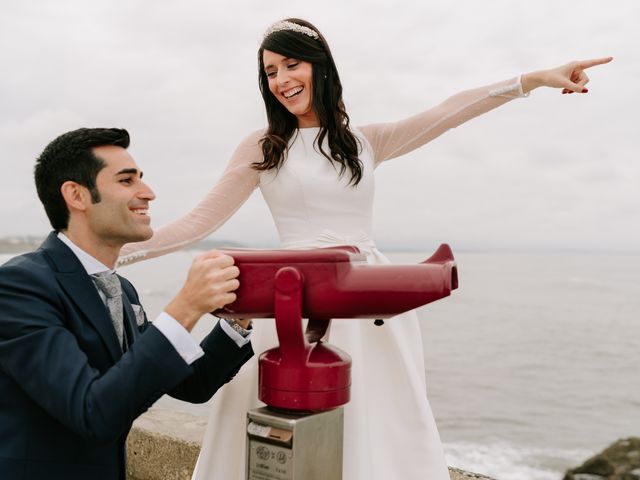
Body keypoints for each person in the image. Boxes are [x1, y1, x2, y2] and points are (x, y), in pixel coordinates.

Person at [118, 19, 612, 480]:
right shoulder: (263, 147)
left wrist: (534, 80)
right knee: (274, 426)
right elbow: (195, 225)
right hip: (289, 300)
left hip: (367, 301)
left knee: (380, 419)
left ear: (321, 65)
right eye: (270, 71)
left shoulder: (365, 142)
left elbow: (449, 110)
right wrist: (102, 256)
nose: (281, 79)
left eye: (292, 64)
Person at [0, 128, 255, 480]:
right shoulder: (19, 286)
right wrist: (186, 306)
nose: (147, 193)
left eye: (142, 180)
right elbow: (93, 412)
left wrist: (238, 320)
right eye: (126, 181)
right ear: (76, 195)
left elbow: (191, 386)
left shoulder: (124, 291)